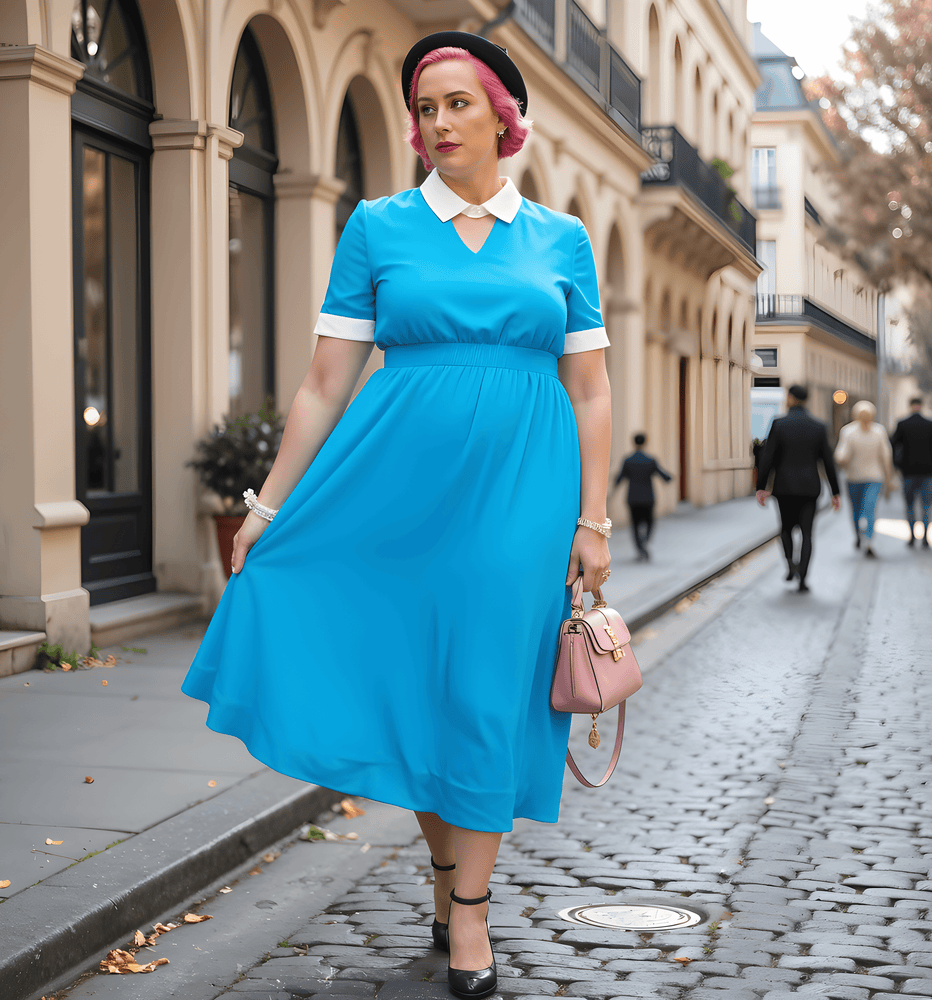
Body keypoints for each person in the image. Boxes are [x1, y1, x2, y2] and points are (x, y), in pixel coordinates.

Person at [181, 32, 613, 1000]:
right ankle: (447, 878)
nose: (438, 124)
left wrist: (593, 522)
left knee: (485, 692)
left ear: (502, 116)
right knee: (420, 691)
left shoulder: (561, 238)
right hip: (392, 489)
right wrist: (265, 506)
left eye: (458, 103)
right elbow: (326, 382)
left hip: (520, 497)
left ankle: (468, 915)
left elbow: (589, 390)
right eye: (424, 109)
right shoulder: (378, 226)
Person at [755, 384, 841, 592]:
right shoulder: (819, 426)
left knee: (785, 529)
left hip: (784, 488)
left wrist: (761, 486)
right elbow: (828, 462)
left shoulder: (779, 424)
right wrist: (836, 491)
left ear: (791, 398)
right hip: (810, 488)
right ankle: (803, 577)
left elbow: (768, 458)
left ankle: (791, 565)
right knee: (807, 533)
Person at [834, 400, 894, 557]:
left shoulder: (856, 431)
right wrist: (889, 480)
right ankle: (862, 536)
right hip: (860, 477)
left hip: (866, 477)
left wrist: (889, 480)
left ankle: (866, 538)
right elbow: (886, 457)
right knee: (863, 509)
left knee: (866, 508)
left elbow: (841, 454)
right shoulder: (850, 432)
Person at [890, 396, 932, 547]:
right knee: (927, 505)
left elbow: (893, 445)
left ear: (910, 406)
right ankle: (926, 537)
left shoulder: (903, 424)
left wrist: (897, 465)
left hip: (908, 472)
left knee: (909, 505)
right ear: (921, 405)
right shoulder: (930, 424)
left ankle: (912, 536)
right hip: (927, 472)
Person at [615, 432, 672, 560]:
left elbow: (620, 478)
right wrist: (669, 477)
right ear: (645, 442)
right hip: (648, 498)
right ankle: (645, 539)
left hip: (633, 498)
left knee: (635, 524)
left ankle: (640, 548)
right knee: (650, 521)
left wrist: (613, 488)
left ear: (633, 443)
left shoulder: (628, 460)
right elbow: (664, 476)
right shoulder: (650, 460)